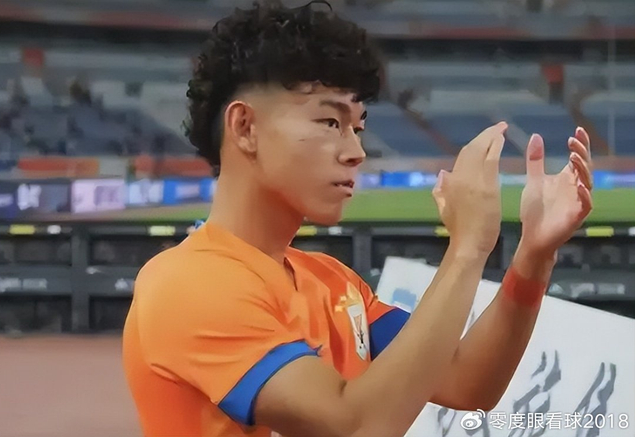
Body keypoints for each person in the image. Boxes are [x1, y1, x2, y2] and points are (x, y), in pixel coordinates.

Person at [122, 2, 594, 436]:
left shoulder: (332, 281)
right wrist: (468, 246)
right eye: (331, 123)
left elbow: (467, 381)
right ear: (245, 127)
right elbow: (357, 427)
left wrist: (534, 255)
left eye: (358, 127)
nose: (356, 152)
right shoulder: (187, 282)